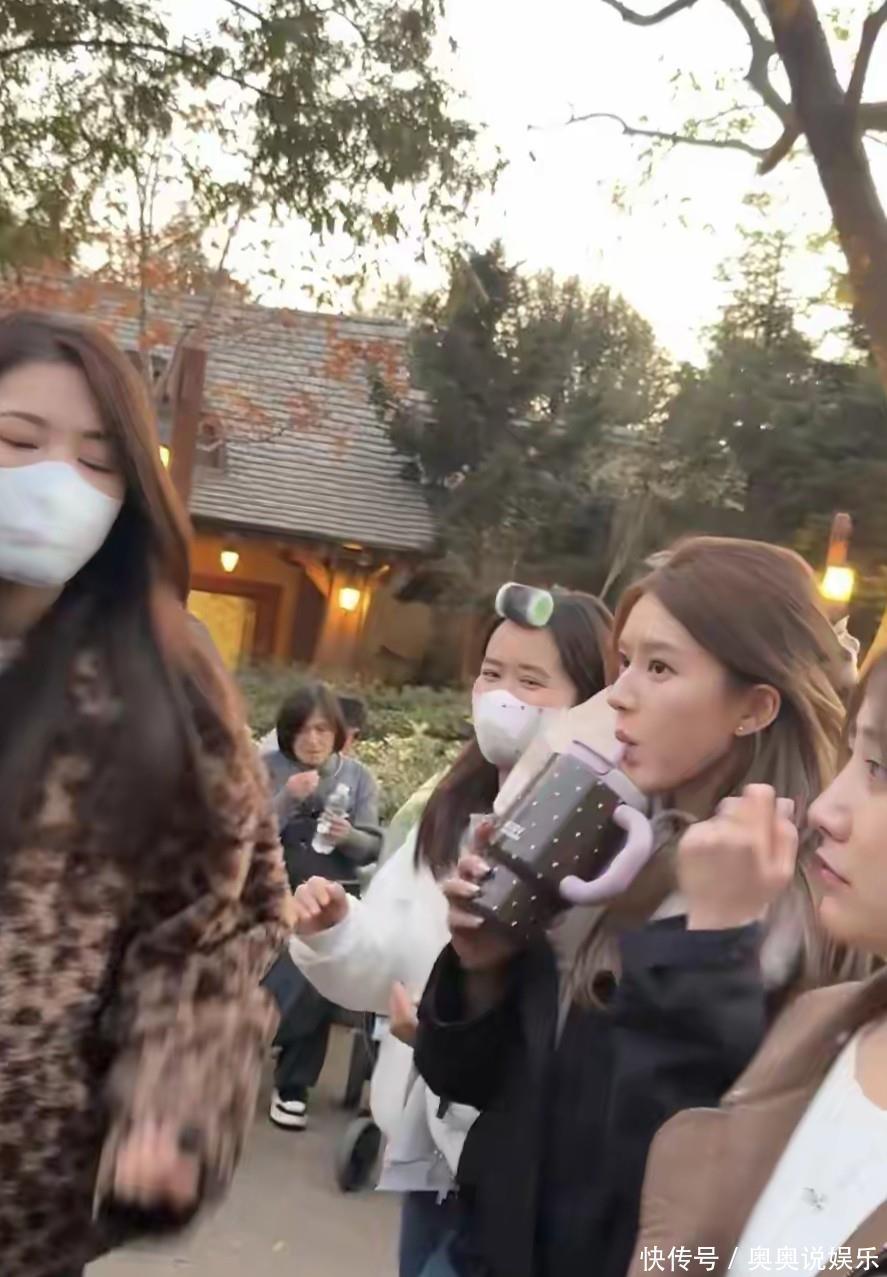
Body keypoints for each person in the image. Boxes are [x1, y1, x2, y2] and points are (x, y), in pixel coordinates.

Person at [415, 537, 864, 1277]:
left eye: (659, 668)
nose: (619, 693)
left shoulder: (816, 908)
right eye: (624, 661)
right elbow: (472, 1084)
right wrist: (480, 968)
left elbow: (661, 1178)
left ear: (754, 707)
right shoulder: (598, 835)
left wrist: (710, 945)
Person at [0, 311, 290, 1277]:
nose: (57, 482)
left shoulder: (165, 687)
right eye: (17, 440)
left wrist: (173, 1106)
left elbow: (212, 935)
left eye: (98, 460)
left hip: (20, 1219)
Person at [289, 588, 613, 1277]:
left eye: (531, 681)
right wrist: (335, 930)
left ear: (592, 699)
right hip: (427, 1143)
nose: (501, 697)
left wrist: (455, 1029)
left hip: (517, 1165)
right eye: (491, 673)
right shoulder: (447, 806)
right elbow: (389, 960)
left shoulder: (607, 831)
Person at [629, 662, 887, 1274]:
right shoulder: (822, 1027)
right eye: (854, 755)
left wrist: (714, 943)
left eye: (880, 769)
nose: (826, 810)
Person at [264, 681, 382, 1129]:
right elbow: (243, 832)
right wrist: (287, 798)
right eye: (303, 730)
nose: (313, 740)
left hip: (330, 900)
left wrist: (346, 836)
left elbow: (372, 847)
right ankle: (279, 1055)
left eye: (322, 730)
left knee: (319, 966)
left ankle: (292, 1082)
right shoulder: (267, 769)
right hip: (270, 893)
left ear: (337, 734)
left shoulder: (358, 778)